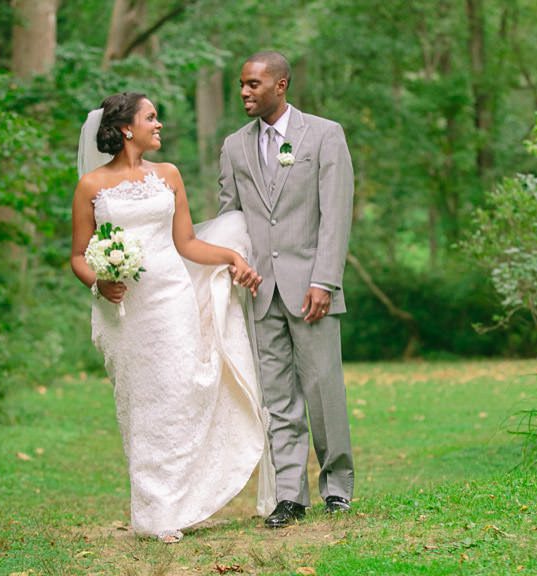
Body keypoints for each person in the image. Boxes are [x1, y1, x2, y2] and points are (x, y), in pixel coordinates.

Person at [70, 92, 274, 543]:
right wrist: (99, 283)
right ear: (126, 128)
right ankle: (152, 512)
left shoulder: (169, 176)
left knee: (181, 393)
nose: (158, 124)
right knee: (142, 403)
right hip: (126, 308)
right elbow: (79, 255)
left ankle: (179, 503)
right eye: (151, 117)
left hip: (172, 297)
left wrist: (230, 258)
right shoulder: (91, 186)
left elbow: (186, 243)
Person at [218, 51, 356, 528]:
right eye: (241, 84)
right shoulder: (234, 146)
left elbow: (335, 214)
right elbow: (229, 218)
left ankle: (337, 487)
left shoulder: (324, 135)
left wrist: (325, 280)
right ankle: (290, 497)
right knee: (277, 398)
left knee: (323, 391)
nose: (244, 92)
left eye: (253, 84)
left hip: (311, 287)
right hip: (261, 292)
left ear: (281, 85)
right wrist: (238, 266)